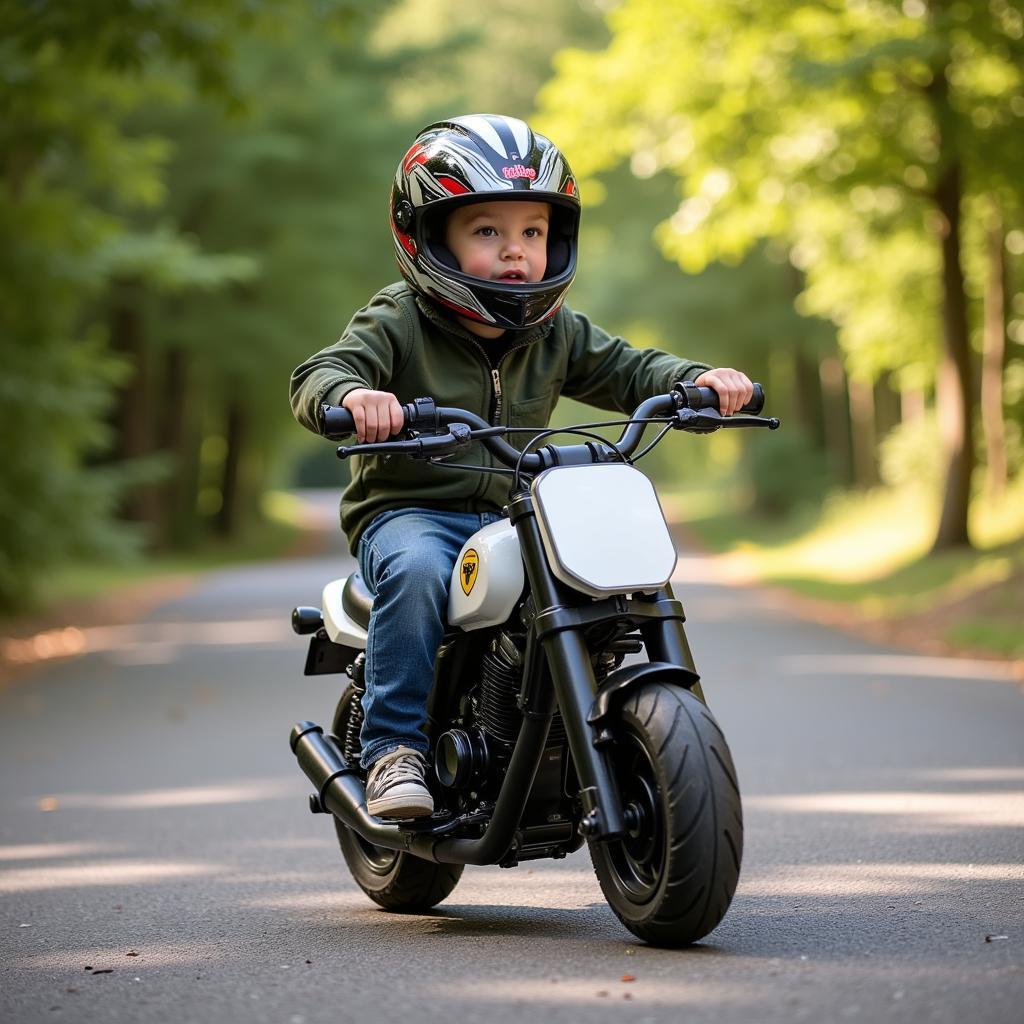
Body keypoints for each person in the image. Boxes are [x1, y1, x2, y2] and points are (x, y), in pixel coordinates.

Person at [290, 114, 752, 819]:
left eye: (532, 232)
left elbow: (632, 369)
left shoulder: (555, 330)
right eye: (487, 232)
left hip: (518, 513)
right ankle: (394, 752)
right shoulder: (399, 320)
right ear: (430, 236)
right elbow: (322, 372)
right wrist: (353, 396)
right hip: (412, 513)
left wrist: (699, 380)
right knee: (416, 573)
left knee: (605, 580)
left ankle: (599, 733)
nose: (516, 253)